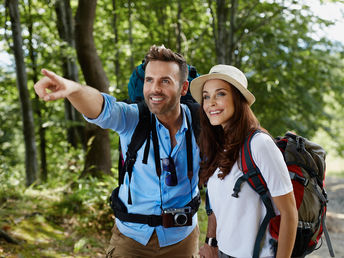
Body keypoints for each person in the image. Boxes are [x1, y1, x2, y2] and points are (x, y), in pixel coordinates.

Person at [34, 45, 201, 257]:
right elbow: (104, 108)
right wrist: (74, 89)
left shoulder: (201, 122)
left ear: (183, 88)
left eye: (165, 81)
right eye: (149, 80)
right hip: (131, 239)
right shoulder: (133, 118)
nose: (154, 89)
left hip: (182, 239)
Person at [189, 65, 298, 258]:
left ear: (238, 99)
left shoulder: (259, 144)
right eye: (206, 96)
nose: (211, 103)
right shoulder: (219, 147)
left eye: (220, 94)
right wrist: (211, 243)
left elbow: (289, 213)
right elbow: (220, 206)